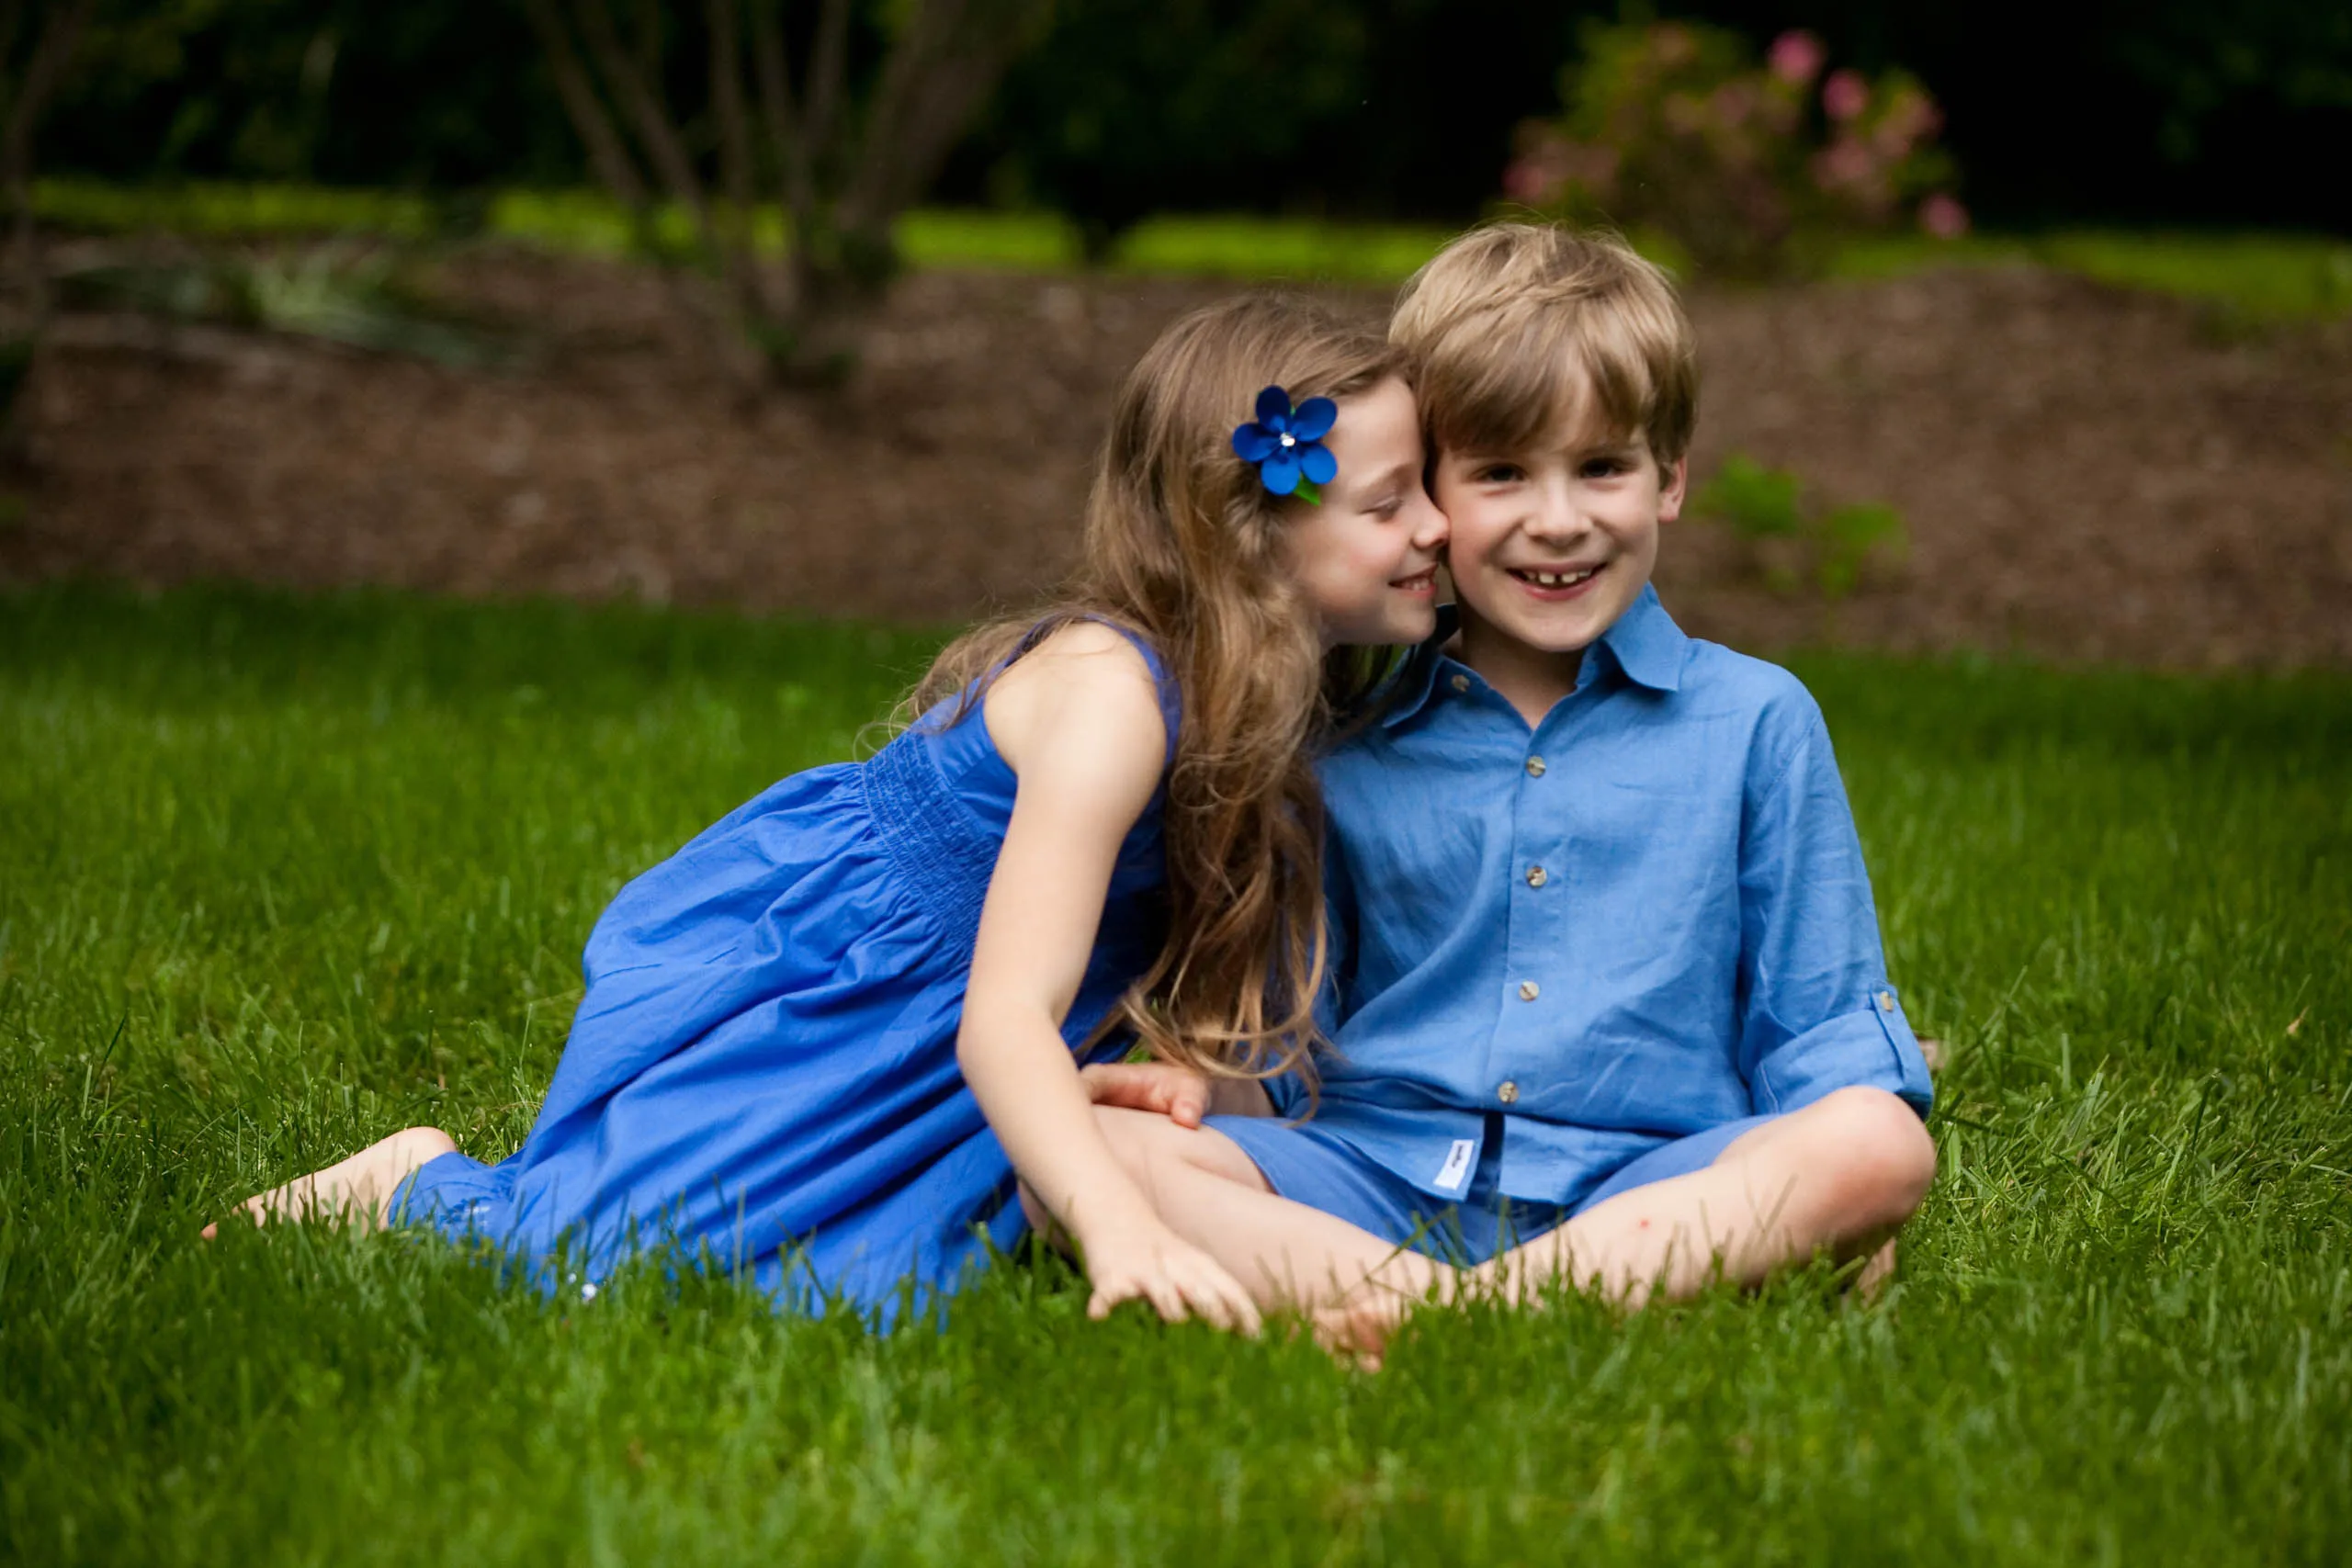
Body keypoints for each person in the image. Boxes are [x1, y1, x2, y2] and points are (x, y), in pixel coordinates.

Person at [207, 293, 1451, 1332]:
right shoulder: (1113, 696)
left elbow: (1225, 1010)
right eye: (1390, 502)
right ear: (1251, 528)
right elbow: (1004, 1016)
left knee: (842, 1293)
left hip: (974, 1038)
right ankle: (414, 1183)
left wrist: (1190, 1092)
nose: (1437, 527)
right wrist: (1119, 1226)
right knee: (603, 1272)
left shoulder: (1288, 718)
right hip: (852, 989)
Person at [1080, 224, 1939, 1347]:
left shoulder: (1755, 722)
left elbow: (1817, 1027)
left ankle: (1433, 1313)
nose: (1558, 520)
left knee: (1877, 1142)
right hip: (1379, 1174)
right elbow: (1284, 1050)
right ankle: (1455, 1309)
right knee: (1089, 1151)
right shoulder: (1343, 742)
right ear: (1427, 494)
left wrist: (1836, 1189)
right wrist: (1196, 1086)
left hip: (1648, 1191)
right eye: (1500, 473)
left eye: (1602, 467)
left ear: (1670, 477)